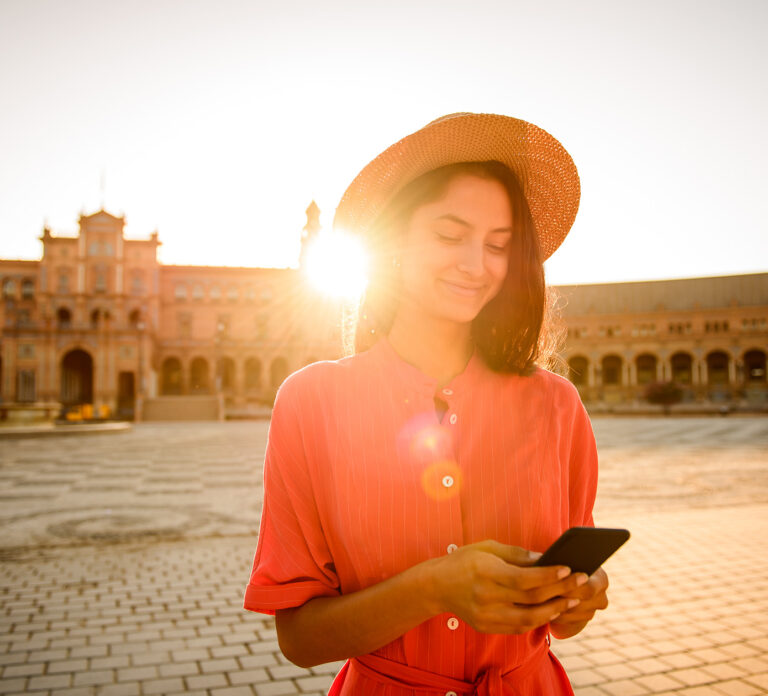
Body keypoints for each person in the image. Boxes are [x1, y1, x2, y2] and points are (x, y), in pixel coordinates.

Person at [243, 113, 609, 695]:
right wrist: (434, 587)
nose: (475, 263)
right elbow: (299, 640)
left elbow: (567, 599)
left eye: (498, 244)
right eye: (449, 234)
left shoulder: (556, 405)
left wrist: (576, 599)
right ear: (392, 242)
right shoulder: (312, 402)